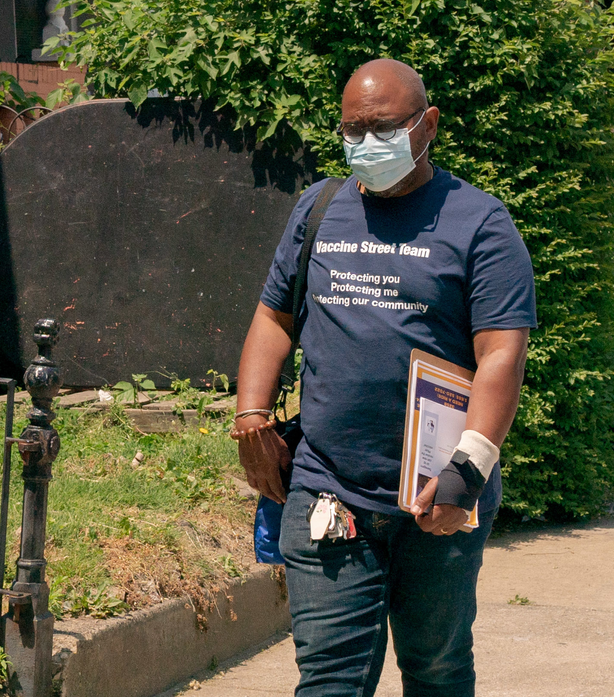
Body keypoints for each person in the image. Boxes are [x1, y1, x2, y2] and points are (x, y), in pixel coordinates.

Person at [230, 59, 536, 697]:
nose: (368, 143)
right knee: (329, 681)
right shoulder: (319, 209)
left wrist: (469, 471)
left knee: (437, 671)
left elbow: (501, 355)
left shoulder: (479, 222)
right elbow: (273, 318)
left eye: (385, 128)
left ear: (429, 125)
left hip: (439, 490)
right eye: (353, 129)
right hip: (328, 489)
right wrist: (250, 416)